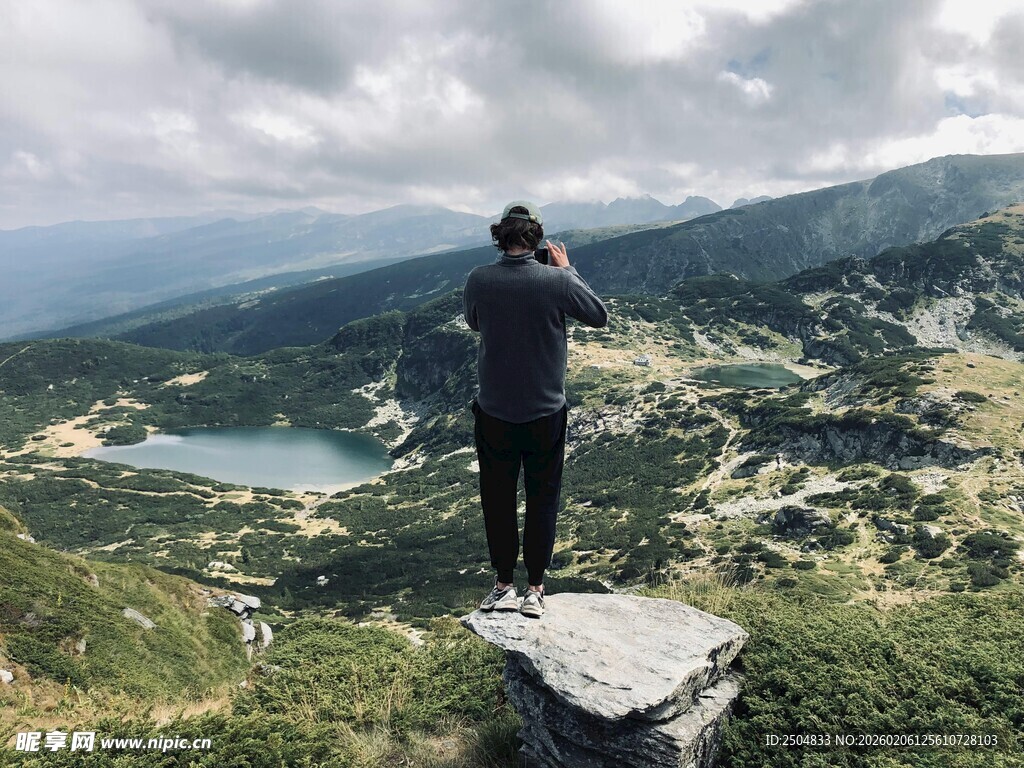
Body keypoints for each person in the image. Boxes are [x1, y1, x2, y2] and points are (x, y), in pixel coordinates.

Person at [462, 200, 609, 618]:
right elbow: (598, 315)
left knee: (498, 499)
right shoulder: (556, 281)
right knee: (543, 499)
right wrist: (567, 271)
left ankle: (503, 586)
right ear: (537, 238)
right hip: (545, 412)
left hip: (494, 411)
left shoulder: (479, 278)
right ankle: (535, 591)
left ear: (499, 236)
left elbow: (474, 322)